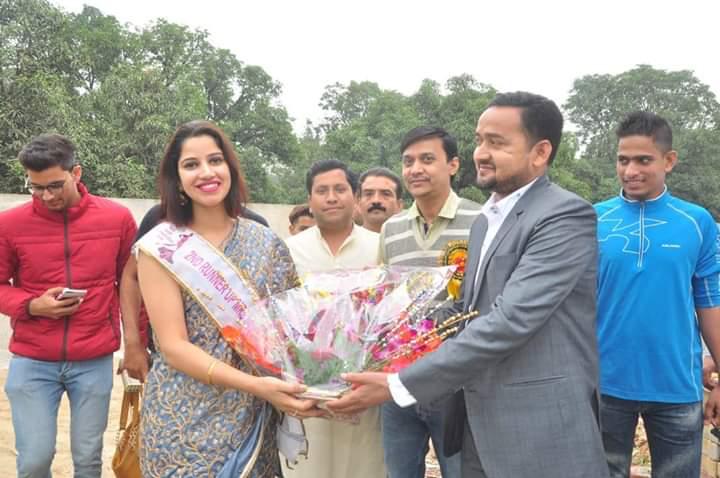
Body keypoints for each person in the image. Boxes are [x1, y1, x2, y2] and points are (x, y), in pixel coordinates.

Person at [327, 92, 609, 478]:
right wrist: (364, 332)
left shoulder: (564, 215)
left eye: (497, 142)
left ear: (540, 152)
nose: (481, 153)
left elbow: (509, 320)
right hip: (477, 422)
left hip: (539, 427)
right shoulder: (485, 221)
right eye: (479, 140)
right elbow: (465, 312)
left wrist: (399, 384)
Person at [135, 120, 321, 477]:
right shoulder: (160, 248)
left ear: (230, 168)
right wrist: (259, 386)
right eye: (191, 164)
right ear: (177, 179)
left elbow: (292, 329)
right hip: (181, 419)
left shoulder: (265, 242)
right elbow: (173, 347)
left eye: (215, 160)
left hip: (252, 415)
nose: (206, 172)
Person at [0, 133, 140, 477]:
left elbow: (133, 285)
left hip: (93, 359)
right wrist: (32, 305)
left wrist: (136, 345)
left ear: (76, 173)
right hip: (32, 359)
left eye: (54, 186)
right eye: (35, 187)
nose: (46, 196)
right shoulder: (9, 225)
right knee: (33, 460)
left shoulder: (117, 219)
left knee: (88, 459)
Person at [593, 111, 720, 478]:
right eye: (623, 160)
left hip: (676, 384)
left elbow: (710, 302)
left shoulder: (697, 222)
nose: (630, 170)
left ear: (669, 160)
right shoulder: (593, 219)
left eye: (643, 160)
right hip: (605, 382)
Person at [379, 126, 481, 478]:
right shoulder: (391, 228)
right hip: (400, 380)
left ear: (453, 165)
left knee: (461, 471)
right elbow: (385, 298)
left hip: (457, 382)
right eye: (408, 161)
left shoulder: (481, 220)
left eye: (427, 159)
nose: (415, 169)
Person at [283, 159, 386, 478]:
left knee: (366, 466)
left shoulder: (380, 246)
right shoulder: (288, 250)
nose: (331, 198)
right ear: (309, 199)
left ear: (355, 197)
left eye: (340, 189)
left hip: (365, 389)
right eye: (322, 191)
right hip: (305, 390)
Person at [119, 201, 270, 373]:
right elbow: (131, 277)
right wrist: (133, 344)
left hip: (245, 366)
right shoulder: (161, 219)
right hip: (174, 367)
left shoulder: (257, 229)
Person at [357, 167, 404, 233]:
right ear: (359, 204)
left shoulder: (413, 238)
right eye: (369, 194)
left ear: (399, 205)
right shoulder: (346, 239)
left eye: (386, 194)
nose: (376, 200)